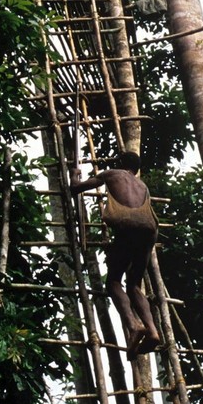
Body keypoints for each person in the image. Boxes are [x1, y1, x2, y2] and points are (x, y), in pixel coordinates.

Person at [70, 151, 162, 359]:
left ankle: (134, 326)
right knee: (134, 286)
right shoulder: (143, 186)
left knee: (113, 282)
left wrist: (75, 174)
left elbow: (76, 188)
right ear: (136, 169)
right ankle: (153, 331)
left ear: (120, 164)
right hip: (149, 230)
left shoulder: (112, 174)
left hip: (127, 225)